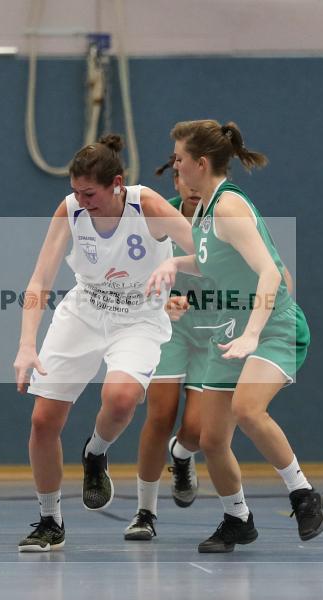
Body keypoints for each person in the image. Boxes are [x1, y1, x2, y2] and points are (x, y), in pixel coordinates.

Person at [147, 120, 323, 553]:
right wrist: (176, 265)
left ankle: (304, 494)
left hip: (271, 327)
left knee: (248, 408)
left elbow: (269, 271)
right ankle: (237, 518)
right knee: (211, 439)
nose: (175, 165)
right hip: (233, 332)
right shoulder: (206, 211)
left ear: (200, 163)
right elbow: (213, 262)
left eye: (179, 159)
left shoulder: (228, 207)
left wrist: (251, 335)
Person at [13, 134, 193, 552]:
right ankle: (49, 521)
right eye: (75, 191)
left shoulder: (146, 205)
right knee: (42, 422)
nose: (81, 199)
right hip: (84, 311)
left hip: (140, 317)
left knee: (122, 398)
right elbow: (39, 281)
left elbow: (206, 253)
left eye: (89, 192)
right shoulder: (71, 209)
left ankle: (96, 453)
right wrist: (26, 344)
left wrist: (174, 267)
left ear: (116, 183)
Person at [124, 158, 209, 541]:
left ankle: (183, 454)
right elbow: (134, 274)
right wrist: (162, 303)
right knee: (160, 416)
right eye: (184, 178)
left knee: (196, 429)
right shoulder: (158, 219)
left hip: (212, 329)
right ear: (175, 179)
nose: (192, 186)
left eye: (199, 178)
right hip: (168, 328)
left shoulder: (229, 216)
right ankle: (145, 511)